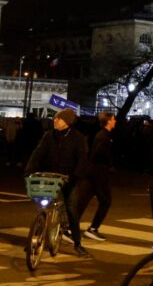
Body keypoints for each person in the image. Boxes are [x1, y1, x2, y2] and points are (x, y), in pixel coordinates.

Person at [24, 108, 90, 257]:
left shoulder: (78, 138)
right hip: (50, 176)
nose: (55, 121)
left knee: (72, 209)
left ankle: (77, 244)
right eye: (55, 118)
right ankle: (35, 235)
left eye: (58, 119)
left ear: (66, 122)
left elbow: (81, 160)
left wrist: (74, 177)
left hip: (69, 178)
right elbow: (37, 153)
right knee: (43, 207)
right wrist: (29, 170)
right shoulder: (49, 135)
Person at [76, 111, 116, 241]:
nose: (115, 121)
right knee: (106, 201)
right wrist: (109, 162)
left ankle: (69, 227)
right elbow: (99, 153)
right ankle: (93, 229)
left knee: (83, 200)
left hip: (91, 170)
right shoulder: (105, 136)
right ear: (109, 121)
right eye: (113, 119)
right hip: (99, 172)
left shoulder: (101, 134)